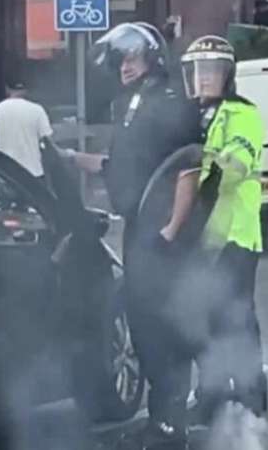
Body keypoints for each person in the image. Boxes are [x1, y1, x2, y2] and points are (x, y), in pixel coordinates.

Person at [72, 22, 202, 449]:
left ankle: (171, 423)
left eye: (131, 58)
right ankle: (161, 417)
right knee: (143, 324)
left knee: (165, 324)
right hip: (137, 228)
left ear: (151, 58)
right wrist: (70, 158)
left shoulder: (170, 101)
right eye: (120, 60)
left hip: (162, 231)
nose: (124, 66)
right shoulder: (126, 101)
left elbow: (187, 167)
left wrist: (171, 229)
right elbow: (121, 165)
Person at [161, 36, 267, 422]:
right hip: (201, 237)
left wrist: (214, 163)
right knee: (200, 317)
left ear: (227, 75)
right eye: (197, 71)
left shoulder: (241, 114)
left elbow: (236, 161)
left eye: (211, 71)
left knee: (236, 317)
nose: (203, 79)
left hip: (234, 234)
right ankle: (212, 394)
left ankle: (252, 400)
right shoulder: (191, 116)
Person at [0, 77, 53, 179]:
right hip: (34, 172)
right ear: (26, 90)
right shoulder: (38, 110)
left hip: (6, 174)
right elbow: (48, 141)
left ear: (7, 89)